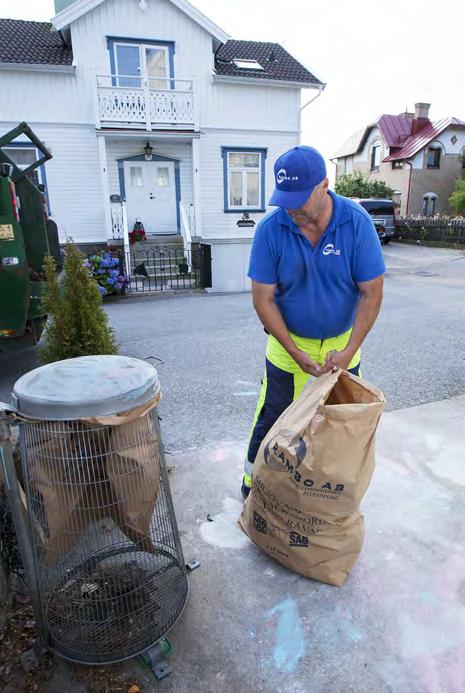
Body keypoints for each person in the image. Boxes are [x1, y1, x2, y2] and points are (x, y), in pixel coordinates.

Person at [242, 145, 385, 499]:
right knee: (273, 422)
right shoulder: (271, 229)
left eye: (299, 199)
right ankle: (253, 487)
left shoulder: (356, 223)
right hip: (287, 347)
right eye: (284, 199)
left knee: (340, 428)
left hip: (343, 349)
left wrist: (350, 348)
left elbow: (372, 293)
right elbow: (263, 298)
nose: (291, 209)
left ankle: (327, 497)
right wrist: (293, 350)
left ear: (324, 185)